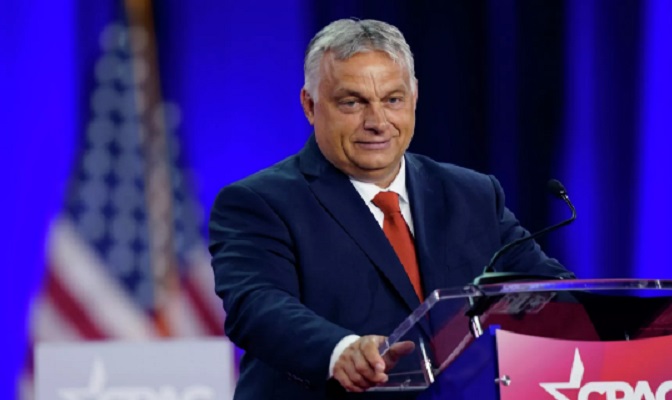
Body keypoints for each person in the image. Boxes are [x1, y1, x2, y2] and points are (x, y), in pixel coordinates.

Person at [209, 18, 573, 400]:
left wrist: (609, 316)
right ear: (310, 105)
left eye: (392, 100)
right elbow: (258, 307)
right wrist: (341, 350)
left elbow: (551, 289)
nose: (377, 122)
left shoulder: (472, 193)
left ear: (414, 98)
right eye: (352, 103)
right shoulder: (259, 202)